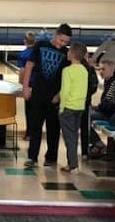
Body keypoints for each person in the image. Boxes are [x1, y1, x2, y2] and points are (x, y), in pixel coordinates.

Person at [22, 24, 72, 168]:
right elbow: (29, 66)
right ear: (55, 34)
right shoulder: (40, 45)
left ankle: (51, 158)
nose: (62, 44)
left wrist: (60, 94)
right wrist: (25, 87)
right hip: (38, 93)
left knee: (54, 129)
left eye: (66, 42)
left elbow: (68, 77)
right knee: (35, 127)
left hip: (54, 97)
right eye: (61, 40)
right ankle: (32, 158)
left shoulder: (66, 53)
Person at [55, 43, 88, 174]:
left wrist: (61, 108)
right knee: (73, 136)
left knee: (69, 137)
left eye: (69, 52)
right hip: (80, 107)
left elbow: (65, 91)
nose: (67, 53)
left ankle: (73, 165)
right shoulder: (84, 70)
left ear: (73, 54)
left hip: (68, 107)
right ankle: (73, 164)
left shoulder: (67, 70)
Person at [79, 52, 99, 159]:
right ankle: (85, 153)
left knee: (73, 129)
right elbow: (94, 87)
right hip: (86, 102)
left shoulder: (71, 67)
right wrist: (87, 95)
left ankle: (71, 155)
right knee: (85, 127)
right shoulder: (90, 69)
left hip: (72, 102)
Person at [17, 31, 36, 140]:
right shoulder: (39, 53)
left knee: (29, 110)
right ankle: (35, 133)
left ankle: (29, 133)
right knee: (37, 110)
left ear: (24, 41)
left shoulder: (23, 54)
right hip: (39, 85)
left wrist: (21, 85)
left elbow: (22, 71)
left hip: (28, 85)